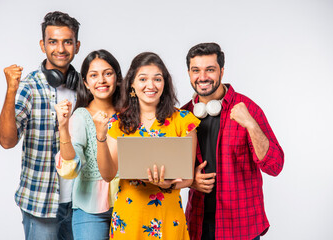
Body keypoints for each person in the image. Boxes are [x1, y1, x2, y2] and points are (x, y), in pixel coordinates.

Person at [182, 42, 284, 240]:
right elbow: (171, 170)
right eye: (196, 70)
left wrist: (251, 125)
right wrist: (191, 181)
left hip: (241, 227)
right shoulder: (183, 115)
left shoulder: (248, 109)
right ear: (188, 73)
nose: (202, 77)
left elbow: (275, 166)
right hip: (198, 225)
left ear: (221, 70)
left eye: (210, 70)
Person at [93, 52, 200, 239]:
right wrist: (101, 138)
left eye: (157, 79)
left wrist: (169, 184)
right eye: (143, 79)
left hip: (168, 217)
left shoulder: (183, 120)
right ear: (132, 84)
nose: (150, 85)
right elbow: (108, 175)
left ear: (164, 83)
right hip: (130, 217)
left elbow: (188, 178)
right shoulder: (118, 123)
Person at [0, 11, 81, 240]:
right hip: (41, 202)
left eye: (67, 42)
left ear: (77, 45)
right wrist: (11, 91)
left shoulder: (86, 87)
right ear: (43, 46)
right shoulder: (29, 87)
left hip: (81, 203)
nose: (61, 49)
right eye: (53, 42)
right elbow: (6, 141)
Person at [54, 49, 122, 240]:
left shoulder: (129, 115)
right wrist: (63, 126)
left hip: (128, 202)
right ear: (85, 82)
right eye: (94, 75)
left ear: (117, 77)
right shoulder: (81, 117)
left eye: (108, 73)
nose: (101, 80)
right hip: (89, 208)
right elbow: (70, 167)